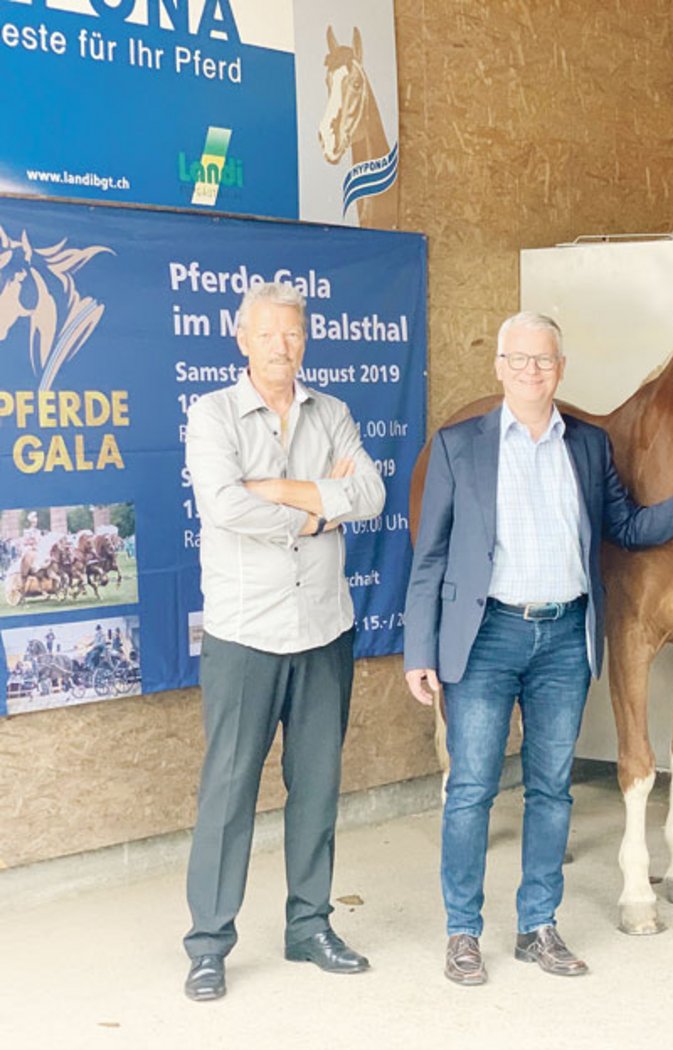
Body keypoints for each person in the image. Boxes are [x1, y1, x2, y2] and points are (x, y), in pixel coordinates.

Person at [403, 311, 673, 987]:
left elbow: (628, 527)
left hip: (563, 638)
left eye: (544, 361)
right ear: (499, 366)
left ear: (560, 370)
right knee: (472, 790)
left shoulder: (589, 448)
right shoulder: (460, 446)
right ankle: (463, 931)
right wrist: (418, 649)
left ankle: (539, 925)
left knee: (551, 790)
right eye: (519, 361)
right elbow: (428, 560)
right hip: (484, 637)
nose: (531, 372)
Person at [181, 281, 386, 1002]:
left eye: (292, 333)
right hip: (245, 635)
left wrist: (280, 489)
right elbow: (224, 505)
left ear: (305, 339)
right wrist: (317, 509)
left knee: (318, 787)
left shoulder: (332, 411)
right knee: (229, 791)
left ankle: (310, 926)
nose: (281, 345)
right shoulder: (211, 416)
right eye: (267, 333)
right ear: (242, 339)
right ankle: (208, 943)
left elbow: (371, 495)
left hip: (324, 628)